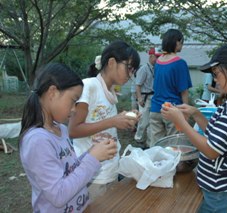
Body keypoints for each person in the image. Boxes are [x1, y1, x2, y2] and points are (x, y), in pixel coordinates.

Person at [161, 43, 227, 212]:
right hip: (220, 188)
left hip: (222, 192)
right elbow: (216, 135)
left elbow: (212, 150)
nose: (215, 80)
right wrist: (196, 114)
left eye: (217, 74)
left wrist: (181, 123)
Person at [19, 63, 118, 212]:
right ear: (52, 93)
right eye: (73, 100)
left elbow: (70, 169)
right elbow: (58, 195)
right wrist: (93, 158)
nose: (73, 110)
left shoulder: (61, 130)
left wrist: (91, 152)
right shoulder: (37, 140)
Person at [68, 40, 140, 201]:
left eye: (133, 70)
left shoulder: (109, 92)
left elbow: (103, 125)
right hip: (92, 175)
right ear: (112, 62)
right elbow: (73, 130)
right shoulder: (89, 86)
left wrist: (125, 119)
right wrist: (113, 121)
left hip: (110, 169)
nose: (131, 75)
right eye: (129, 68)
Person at [149, 29, 192, 146]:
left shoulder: (158, 62)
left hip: (155, 109)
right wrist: (186, 113)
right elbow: (184, 91)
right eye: (182, 42)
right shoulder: (180, 63)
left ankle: (155, 164)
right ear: (177, 42)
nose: (182, 45)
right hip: (172, 110)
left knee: (156, 147)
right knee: (174, 146)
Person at [134, 47, 161, 146]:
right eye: (156, 57)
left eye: (159, 57)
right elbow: (138, 85)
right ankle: (139, 139)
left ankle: (150, 143)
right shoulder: (144, 69)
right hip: (145, 97)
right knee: (143, 121)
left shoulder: (157, 68)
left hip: (154, 97)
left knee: (152, 122)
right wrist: (139, 98)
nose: (157, 59)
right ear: (151, 56)